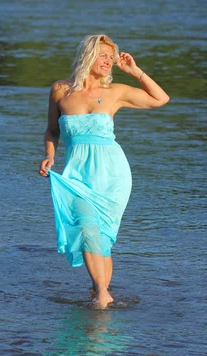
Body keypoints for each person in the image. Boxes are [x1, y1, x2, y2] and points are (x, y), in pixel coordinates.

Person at [38, 34, 169, 309]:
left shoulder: (115, 93)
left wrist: (135, 71)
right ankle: (102, 295)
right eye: (103, 55)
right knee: (86, 229)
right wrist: (50, 155)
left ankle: (100, 294)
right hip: (77, 175)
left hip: (112, 175)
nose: (109, 61)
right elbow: (52, 130)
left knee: (102, 237)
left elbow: (160, 99)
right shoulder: (61, 91)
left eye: (112, 56)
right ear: (88, 56)